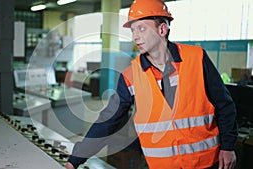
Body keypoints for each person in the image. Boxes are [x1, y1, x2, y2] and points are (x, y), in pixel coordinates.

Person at [65, 0, 238, 168]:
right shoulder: (130, 76)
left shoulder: (197, 59)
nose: (135, 37)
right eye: (133, 30)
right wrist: (75, 160)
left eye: (141, 28)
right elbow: (107, 120)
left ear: (162, 29)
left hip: (206, 163)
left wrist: (228, 147)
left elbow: (225, 106)